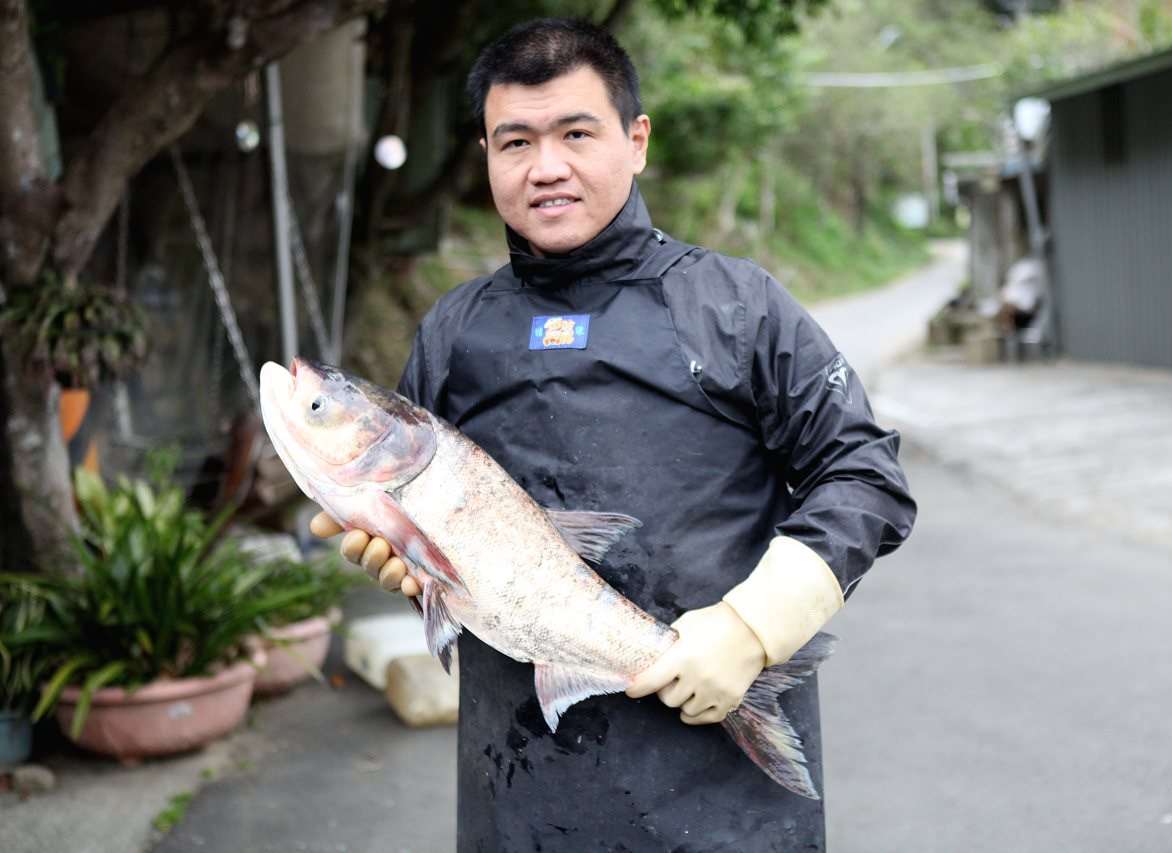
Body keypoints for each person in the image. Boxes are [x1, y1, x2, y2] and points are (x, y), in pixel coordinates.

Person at [310, 18, 916, 852]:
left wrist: (753, 627)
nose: (546, 166)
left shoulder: (735, 306)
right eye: (514, 140)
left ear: (635, 142)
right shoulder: (453, 331)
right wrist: (407, 564)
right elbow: (441, 541)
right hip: (517, 790)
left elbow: (865, 474)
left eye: (576, 133)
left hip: (722, 803)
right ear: (486, 154)